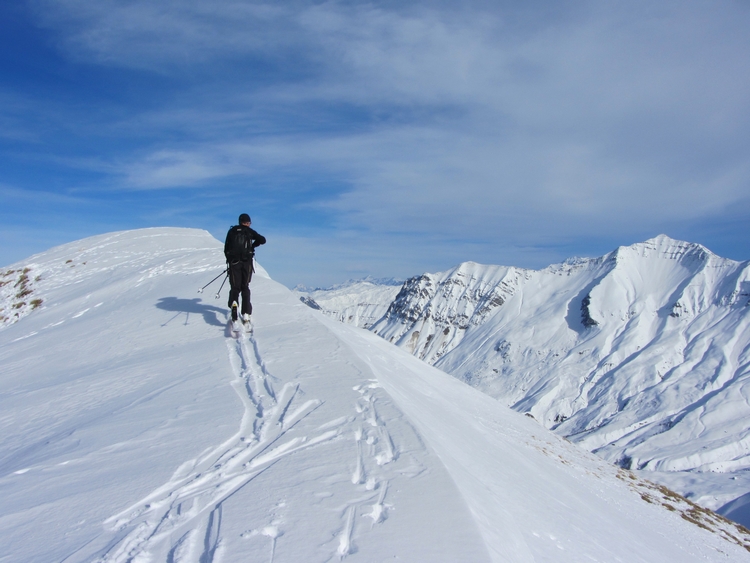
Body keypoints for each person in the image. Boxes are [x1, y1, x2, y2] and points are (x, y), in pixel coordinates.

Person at [224, 213, 266, 325]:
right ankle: (246, 312)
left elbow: (226, 248)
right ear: (247, 222)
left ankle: (234, 303)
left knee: (235, 286)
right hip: (246, 263)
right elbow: (263, 240)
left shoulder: (232, 231)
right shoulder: (249, 231)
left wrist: (230, 260)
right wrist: (253, 246)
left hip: (234, 263)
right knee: (245, 287)